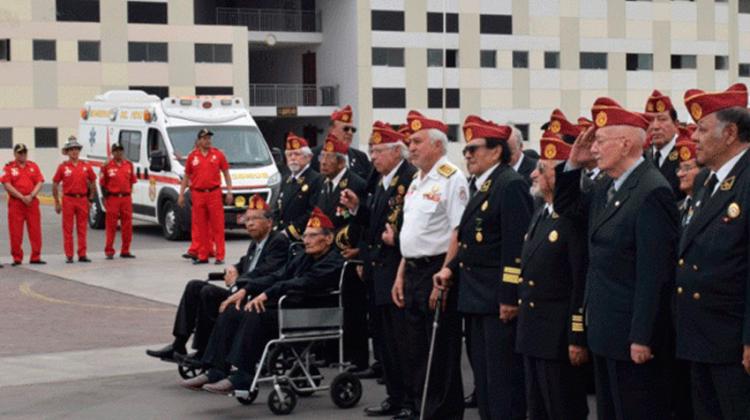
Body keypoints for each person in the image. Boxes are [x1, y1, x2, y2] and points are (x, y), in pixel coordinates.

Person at [554, 97, 678, 420]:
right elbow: (567, 209)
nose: (593, 148)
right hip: (605, 330)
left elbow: (654, 275)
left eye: (600, 140)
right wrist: (572, 165)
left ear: (624, 145)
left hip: (630, 337)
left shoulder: (652, 191)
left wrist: (642, 336)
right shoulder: (607, 188)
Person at [433, 115, 533, 420]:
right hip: (474, 298)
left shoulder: (510, 184)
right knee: (485, 383)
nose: (467, 155)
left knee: (503, 383)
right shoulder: (483, 185)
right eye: (465, 150)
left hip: (495, 300)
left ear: (496, 151)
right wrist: (450, 267)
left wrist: (508, 296)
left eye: (474, 149)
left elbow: (514, 248)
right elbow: (470, 243)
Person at [181, 208, 344, 394]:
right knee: (232, 310)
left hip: (310, 313)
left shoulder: (333, 261)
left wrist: (266, 294)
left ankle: (244, 375)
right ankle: (216, 370)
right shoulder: (304, 257)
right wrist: (246, 289)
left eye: (313, 236)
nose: (306, 241)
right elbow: (278, 275)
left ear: (329, 238)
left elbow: (301, 283)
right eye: (305, 236)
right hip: (289, 310)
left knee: (255, 315)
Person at [676, 83, 750, 419]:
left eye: (702, 129)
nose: (693, 138)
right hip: (700, 334)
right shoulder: (708, 181)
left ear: (730, 132)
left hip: (733, 340)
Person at [146, 195, 289, 363]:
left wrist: (239, 280)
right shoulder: (256, 242)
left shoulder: (277, 241)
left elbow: (266, 270)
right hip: (240, 292)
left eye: (255, 219)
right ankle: (179, 344)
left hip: (255, 297)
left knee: (209, 293)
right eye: (247, 219)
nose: (249, 223)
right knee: (194, 286)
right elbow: (245, 262)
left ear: (269, 222)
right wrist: (233, 269)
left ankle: (203, 352)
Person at [391, 110, 469, 420]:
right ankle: (423, 407)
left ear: (437, 145)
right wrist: (400, 274)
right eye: (410, 141)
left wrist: (445, 274)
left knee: (441, 349)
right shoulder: (415, 180)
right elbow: (411, 233)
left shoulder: (452, 177)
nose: (410, 147)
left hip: (436, 269)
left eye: (417, 141)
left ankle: (445, 412)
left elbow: (457, 231)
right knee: (416, 348)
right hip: (411, 269)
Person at [340, 121, 416, 417]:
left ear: (397, 151)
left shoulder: (407, 179)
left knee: (401, 342)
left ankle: (409, 400)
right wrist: (359, 206)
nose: (372, 157)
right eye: (371, 151)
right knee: (384, 342)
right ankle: (395, 397)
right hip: (377, 271)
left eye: (378, 151)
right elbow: (375, 221)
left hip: (397, 270)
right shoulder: (382, 180)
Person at [516, 130, 589, 420]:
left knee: (562, 406)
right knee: (538, 408)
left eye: (542, 169)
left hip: (556, 335)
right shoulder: (541, 212)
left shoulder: (570, 219)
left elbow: (578, 279)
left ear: (558, 176)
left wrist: (576, 335)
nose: (533, 174)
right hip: (534, 330)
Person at [315, 132, 369, 372]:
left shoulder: (354, 183)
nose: (323, 161)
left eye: (328, 157)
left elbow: (359, 220)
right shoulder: (325, 184)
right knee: (329, 302)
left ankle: (356, 358)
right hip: (327, 252)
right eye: (322, 156)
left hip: (348, 252)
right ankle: (329, 352)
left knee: (352, 307)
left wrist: (356, 248)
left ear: (340, 161)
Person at [178, 128, 233, 265]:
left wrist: (229, 191)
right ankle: (202, 255)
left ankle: (220, 255)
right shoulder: (193, 156)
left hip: (214, 193)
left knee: (217, 226)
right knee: (200, 226)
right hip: (198, 194)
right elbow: (186, 176)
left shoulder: (218, 155)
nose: (208, 141)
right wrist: (181, 194)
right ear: (199, 141)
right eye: (204, 138)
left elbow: (226, 173)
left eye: (209, 138)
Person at [52, 136, 96, 263]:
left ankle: (82, 254)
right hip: (68, 199)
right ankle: (69, 255)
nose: (74, 152)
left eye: (76, 149)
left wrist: (91, 199)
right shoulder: (63, 167)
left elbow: (93, 181)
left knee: (82, 228)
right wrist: (56, 202)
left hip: (82, 199)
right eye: (71, 149)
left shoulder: (86, 166)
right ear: (67, 152)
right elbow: (55, 183)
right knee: (68, 228)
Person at [1, 143, 45, 266]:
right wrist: (21, 197)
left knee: (35, 230)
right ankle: (17, 258)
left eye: (24, 152)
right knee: (16, 232)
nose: (23, 155)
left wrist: (31, 195)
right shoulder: (9, 168)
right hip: (16, 203)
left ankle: (36, 257)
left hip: (32, 202)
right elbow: (6, 184)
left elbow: (40, 182)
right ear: (15, 154)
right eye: (20, 153)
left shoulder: (33, 166)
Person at [275, 132, 323, 241]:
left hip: (301, 237)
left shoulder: (316, 179)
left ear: (308, 157)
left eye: (297, 154)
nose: (292, 158)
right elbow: (278, 208)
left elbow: (312, 211)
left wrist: (289, 232)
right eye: (289, 155)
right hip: (282, 234)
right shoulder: (285, 179)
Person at [312, 105, 373, 182]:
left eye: (353, 130)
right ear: (332, 130)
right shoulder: (314, 155)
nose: (350, 133)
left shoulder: (361, 157)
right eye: (346, 129)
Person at [644, 90, 685, 200]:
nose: (655, 126)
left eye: (662, 119)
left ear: (676, 124)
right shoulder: (643, 157)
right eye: (650, 120)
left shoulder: (685, 154)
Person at [99, 142, 137, 259]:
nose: (118, 153)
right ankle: (109, 251)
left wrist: (128, 194)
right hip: (113, 198)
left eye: (120, 150)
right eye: (116, 151)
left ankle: (125, 250)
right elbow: (102, 184)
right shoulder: (106, 166)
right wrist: (106, 198)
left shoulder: (129, 165)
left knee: (127, 225)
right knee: (111, 226)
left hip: (125, 198)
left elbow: (131, 182)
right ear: (112, 152)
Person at [674, 129, 700, 227]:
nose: (680, 174)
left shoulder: (708, 205)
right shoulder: (678, 208)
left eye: (687, 168)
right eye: (679, 169)